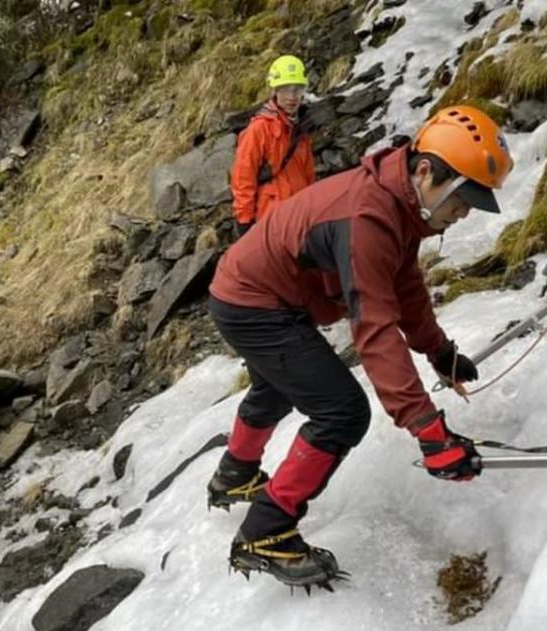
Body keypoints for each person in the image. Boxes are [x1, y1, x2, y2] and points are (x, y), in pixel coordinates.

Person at [207, 106, 514, 590]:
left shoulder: (400, 205)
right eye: (460, 201)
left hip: (256, 292)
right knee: (342, 411)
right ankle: (265, 532)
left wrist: (438, 351)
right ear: (425, 171)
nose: (462, 215)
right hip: (253, 302)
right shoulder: (368, 217)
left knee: (277, 383)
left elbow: (403, 286)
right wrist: (429, 432)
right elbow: (373, 328)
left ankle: (234, 474)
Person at [229, 54, 316, 239]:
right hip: (271, 219)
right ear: (274, 90)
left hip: (301, 216)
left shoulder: (301, 128)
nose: (292, 97)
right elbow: (243, 177)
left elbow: (309, 176)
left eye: (297, 89)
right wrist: (244, 222)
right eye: (285, 89)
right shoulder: (259, 129)